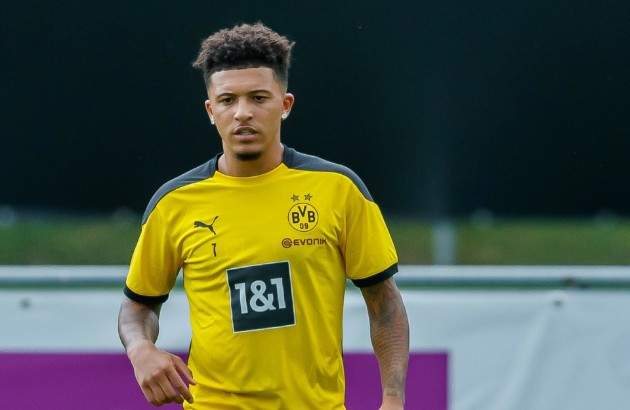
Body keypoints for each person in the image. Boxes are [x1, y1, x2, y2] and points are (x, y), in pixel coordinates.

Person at [118, 22, 409, 409]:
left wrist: (393, 399)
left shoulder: (339, 189)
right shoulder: (174, 202)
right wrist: (140, 348)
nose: (242, 113)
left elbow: (384, 301)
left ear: (285, 105)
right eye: (227, 100)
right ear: (211, 110)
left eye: (258, 98)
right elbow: (138, 306)